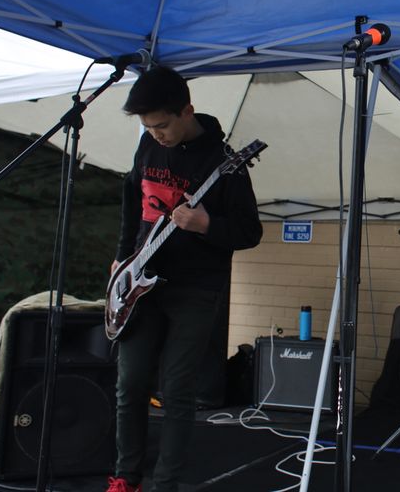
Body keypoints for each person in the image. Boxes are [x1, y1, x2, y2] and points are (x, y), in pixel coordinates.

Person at [106, 66, 263, 492]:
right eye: (147, 127)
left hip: (195, 289)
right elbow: (131, 202)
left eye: (162, 125)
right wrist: (121, 258)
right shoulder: (148, 146)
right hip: (139, 282)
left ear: (186, 111)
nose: (156, 135)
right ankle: (125, 478)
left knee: (177, 391)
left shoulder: (224, 164)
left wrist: (206, 224)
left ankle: (165, 485)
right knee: (129, 385)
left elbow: (250, 232)